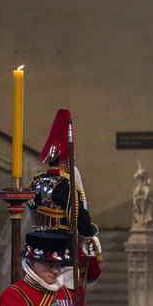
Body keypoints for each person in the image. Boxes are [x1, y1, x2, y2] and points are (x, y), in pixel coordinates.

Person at [27, 109, 101, 287]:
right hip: (63, 255)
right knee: (65, 303)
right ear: (65, 160)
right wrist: (92, 233)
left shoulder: (36, 182)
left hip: (37, 254)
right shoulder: (67, 185)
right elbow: (82, 225)